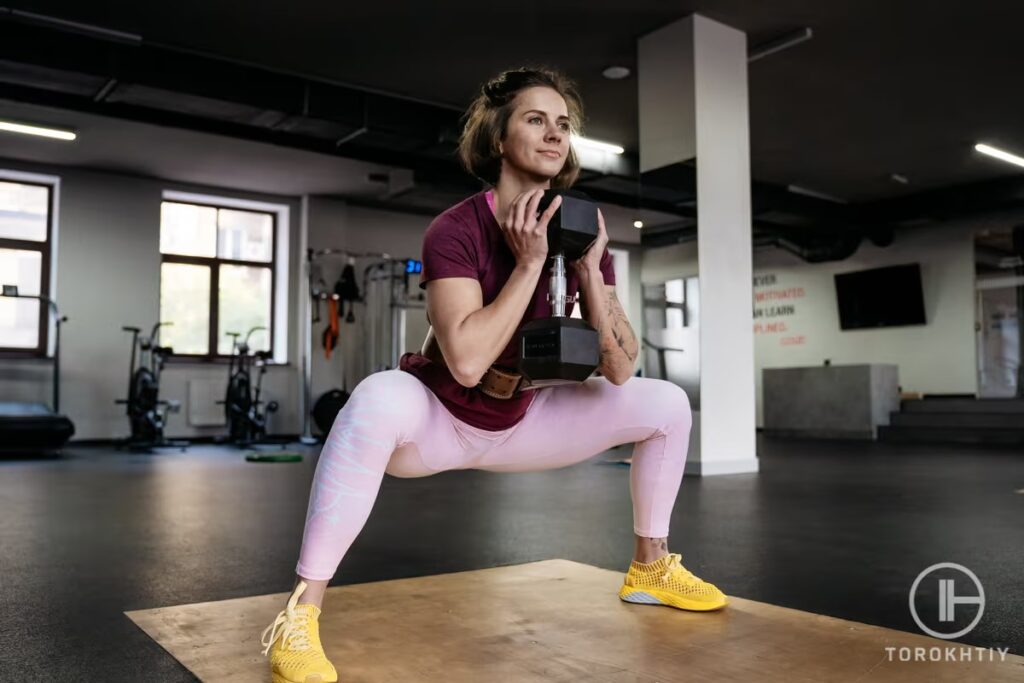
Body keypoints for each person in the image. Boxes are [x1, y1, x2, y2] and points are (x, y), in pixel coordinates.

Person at [260, 67, 727, 683]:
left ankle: (649, 567)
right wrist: (529, 264)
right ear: (499, 139)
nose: (555, 134)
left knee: (667, 402)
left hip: (531, 417)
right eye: (536, 119)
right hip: (441, 422)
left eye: (563, 124)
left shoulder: (583, 232)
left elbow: (620, 369)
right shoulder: (455, 230)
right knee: (374, 398)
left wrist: (589, 271)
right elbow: (467, 361)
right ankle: (299, 614)